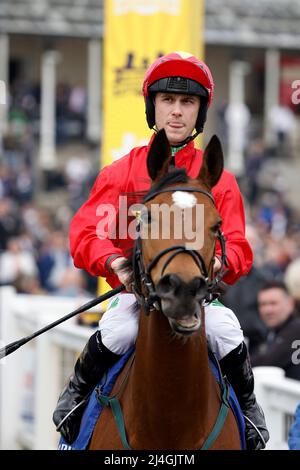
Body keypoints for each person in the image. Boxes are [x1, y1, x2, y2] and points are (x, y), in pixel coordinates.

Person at [53, 52, 269, 449]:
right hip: (138, 298)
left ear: (200, 112)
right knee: (119, 328)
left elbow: (238, 245)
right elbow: (85, 234)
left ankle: (250, 413)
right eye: (167, 100)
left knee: (226, 329)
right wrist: (115, 262)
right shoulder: (120, 174)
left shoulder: (217, 180)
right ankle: (75, 399)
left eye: (187, 103)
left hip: (196, 300)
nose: (176, 111)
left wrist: (219, 263)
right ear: (153, 106)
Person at [251, 280, 300, 380]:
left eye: (273, 303)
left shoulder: (296, 330)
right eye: (263, 304)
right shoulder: (271, 333)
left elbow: (268, 361)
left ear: (290, 304)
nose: (268, 310)